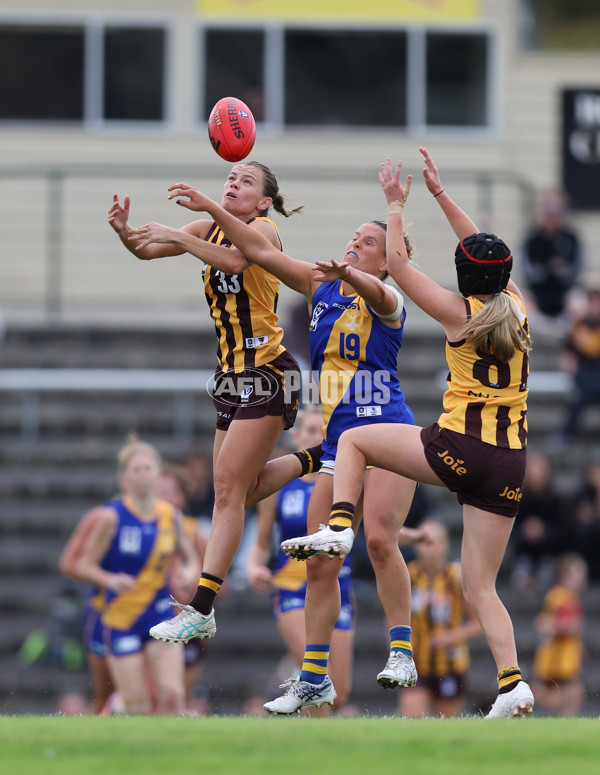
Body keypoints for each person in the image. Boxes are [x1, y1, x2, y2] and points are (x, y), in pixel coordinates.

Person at [128, 173, 421, 716]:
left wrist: (375, 249)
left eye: (370, 242)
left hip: (387, 434)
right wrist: (208, 216)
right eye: (354, 237)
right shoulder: (320, 284)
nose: (356, 243)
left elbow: (382, 289)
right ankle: (314, 678)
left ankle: (401, 650)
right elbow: (257, 250)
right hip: (338, 444)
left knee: (379, 541)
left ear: (387, 260)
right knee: (317, 564)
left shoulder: (386, 296)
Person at [285, 147, 535, 719]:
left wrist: (398, 204)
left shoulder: (457, 312)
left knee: (353, 439)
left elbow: (396, 266)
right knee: (480, 585)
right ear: (505, 276)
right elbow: (486, 258)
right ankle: (512, 682)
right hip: (511, 462)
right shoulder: (517, 309)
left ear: (467, 275)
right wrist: (444, 197)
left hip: (462, 449)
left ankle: (340, 526)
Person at [109, 162, 320, 645]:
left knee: (226, 491)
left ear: (265, 201)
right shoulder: (207, 228)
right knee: (238, 496)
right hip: (231, 378)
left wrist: (199, 213)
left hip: (269, 371)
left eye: (247, 181)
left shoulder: (262, 229)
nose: (233, 183)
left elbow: (237, 261)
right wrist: (125, 233)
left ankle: (201, 607)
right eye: (231, 177)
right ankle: (316, 456)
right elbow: (146, 249)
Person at [64, 436, 199, 714]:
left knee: (173, 695)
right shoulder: (110, 517)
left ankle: (177, 755)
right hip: (121, 617)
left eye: (147, 468)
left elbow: (191, 557)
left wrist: (189, 571)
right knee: (137, 705)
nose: (142, 475)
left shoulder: (170, 515)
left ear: (158, 473)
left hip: (160, 614)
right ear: (124, 478)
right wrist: (110, 580)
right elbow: (83, 565)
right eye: (135, 470)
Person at [398, 520, 482, 718]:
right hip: (416, 663)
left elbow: (478, 623)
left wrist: (450, 637)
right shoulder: (407, 576)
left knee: (446, 724)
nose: (431, 549)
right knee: (412, 720)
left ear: (446, 545)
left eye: (436, 542)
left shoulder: (457, 578)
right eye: (425, 543)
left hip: (451, 664)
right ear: (416, 546)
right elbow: (393, 617)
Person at [156, 463, 212, 714]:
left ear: (182, 496)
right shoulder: (139, 527)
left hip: (186, 627)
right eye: (160, 492)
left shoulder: (194, 532)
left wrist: (191, 588)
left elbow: (220, 584)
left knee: (177, 699)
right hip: (147, 617)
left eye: (171, 492)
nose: (165, 499)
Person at [59, 507, 115, 714]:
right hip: (106, 612)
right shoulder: (105, 517)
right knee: (107, 694)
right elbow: (72, 563)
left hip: (150, 613)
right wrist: (108, 580)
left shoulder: (168, 520)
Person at [532, 553, 587, 716]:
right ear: (565, 575)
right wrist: (568, 626)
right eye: (578, 572)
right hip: (557, 660)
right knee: (571, 695)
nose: (583, 577)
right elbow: (543, 623)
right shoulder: (557, 596)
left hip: (567, 659)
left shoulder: (570, 597)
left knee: (574, 695)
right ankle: (530, 690)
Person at [509, 451, 566, 594]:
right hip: (523, 553)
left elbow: (563, 532)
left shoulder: (556, 499)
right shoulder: (517, 498)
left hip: (549, 554)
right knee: (521, 576)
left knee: (546, 575)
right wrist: (525, 532)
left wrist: (543, 531)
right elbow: (510, 532)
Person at [522, 189, 582, 320]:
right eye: (548, 211)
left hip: (564, 294)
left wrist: (560, 270)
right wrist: (545, 270)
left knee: (578, 303)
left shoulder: (571, 238)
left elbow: (576, 271)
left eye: (555, 212)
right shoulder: (532, 239)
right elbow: (527, 272)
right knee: (521, 305)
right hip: (537, 294)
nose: (551, 217)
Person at [555, 287, 600, 446]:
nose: (595, 306)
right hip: (584, 373)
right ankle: (566, 433)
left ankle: (565, 433)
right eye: (592, 302)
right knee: (582, 391)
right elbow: (569, 353)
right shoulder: (579, 326)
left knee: (583, 394)